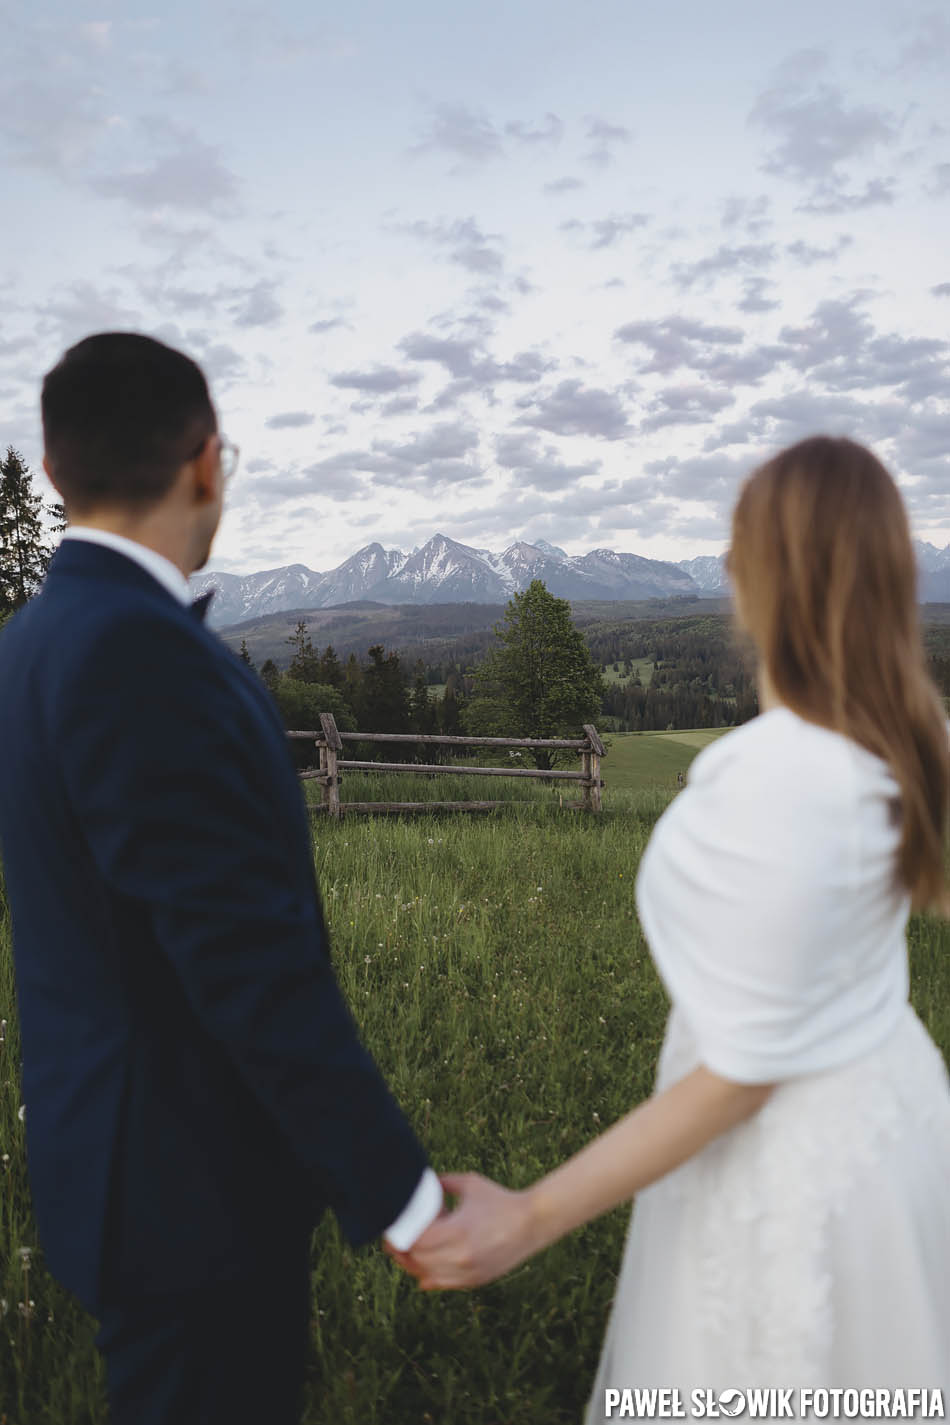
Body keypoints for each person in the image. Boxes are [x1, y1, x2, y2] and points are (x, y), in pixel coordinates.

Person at [394, 436, 950, 1411]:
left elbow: (741, 1072)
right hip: (894, 1115)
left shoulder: (771, 778)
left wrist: (528, 1216)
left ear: (750, 580)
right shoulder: (908, 736)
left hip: (792, 1168)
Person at [0, 331, 445, 1425]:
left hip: (106, 1159)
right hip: (185, 1189)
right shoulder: (136, 653)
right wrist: (403, 1196)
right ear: (208, 463)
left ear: (55, 475)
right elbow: (242, 963)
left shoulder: (27, 645)